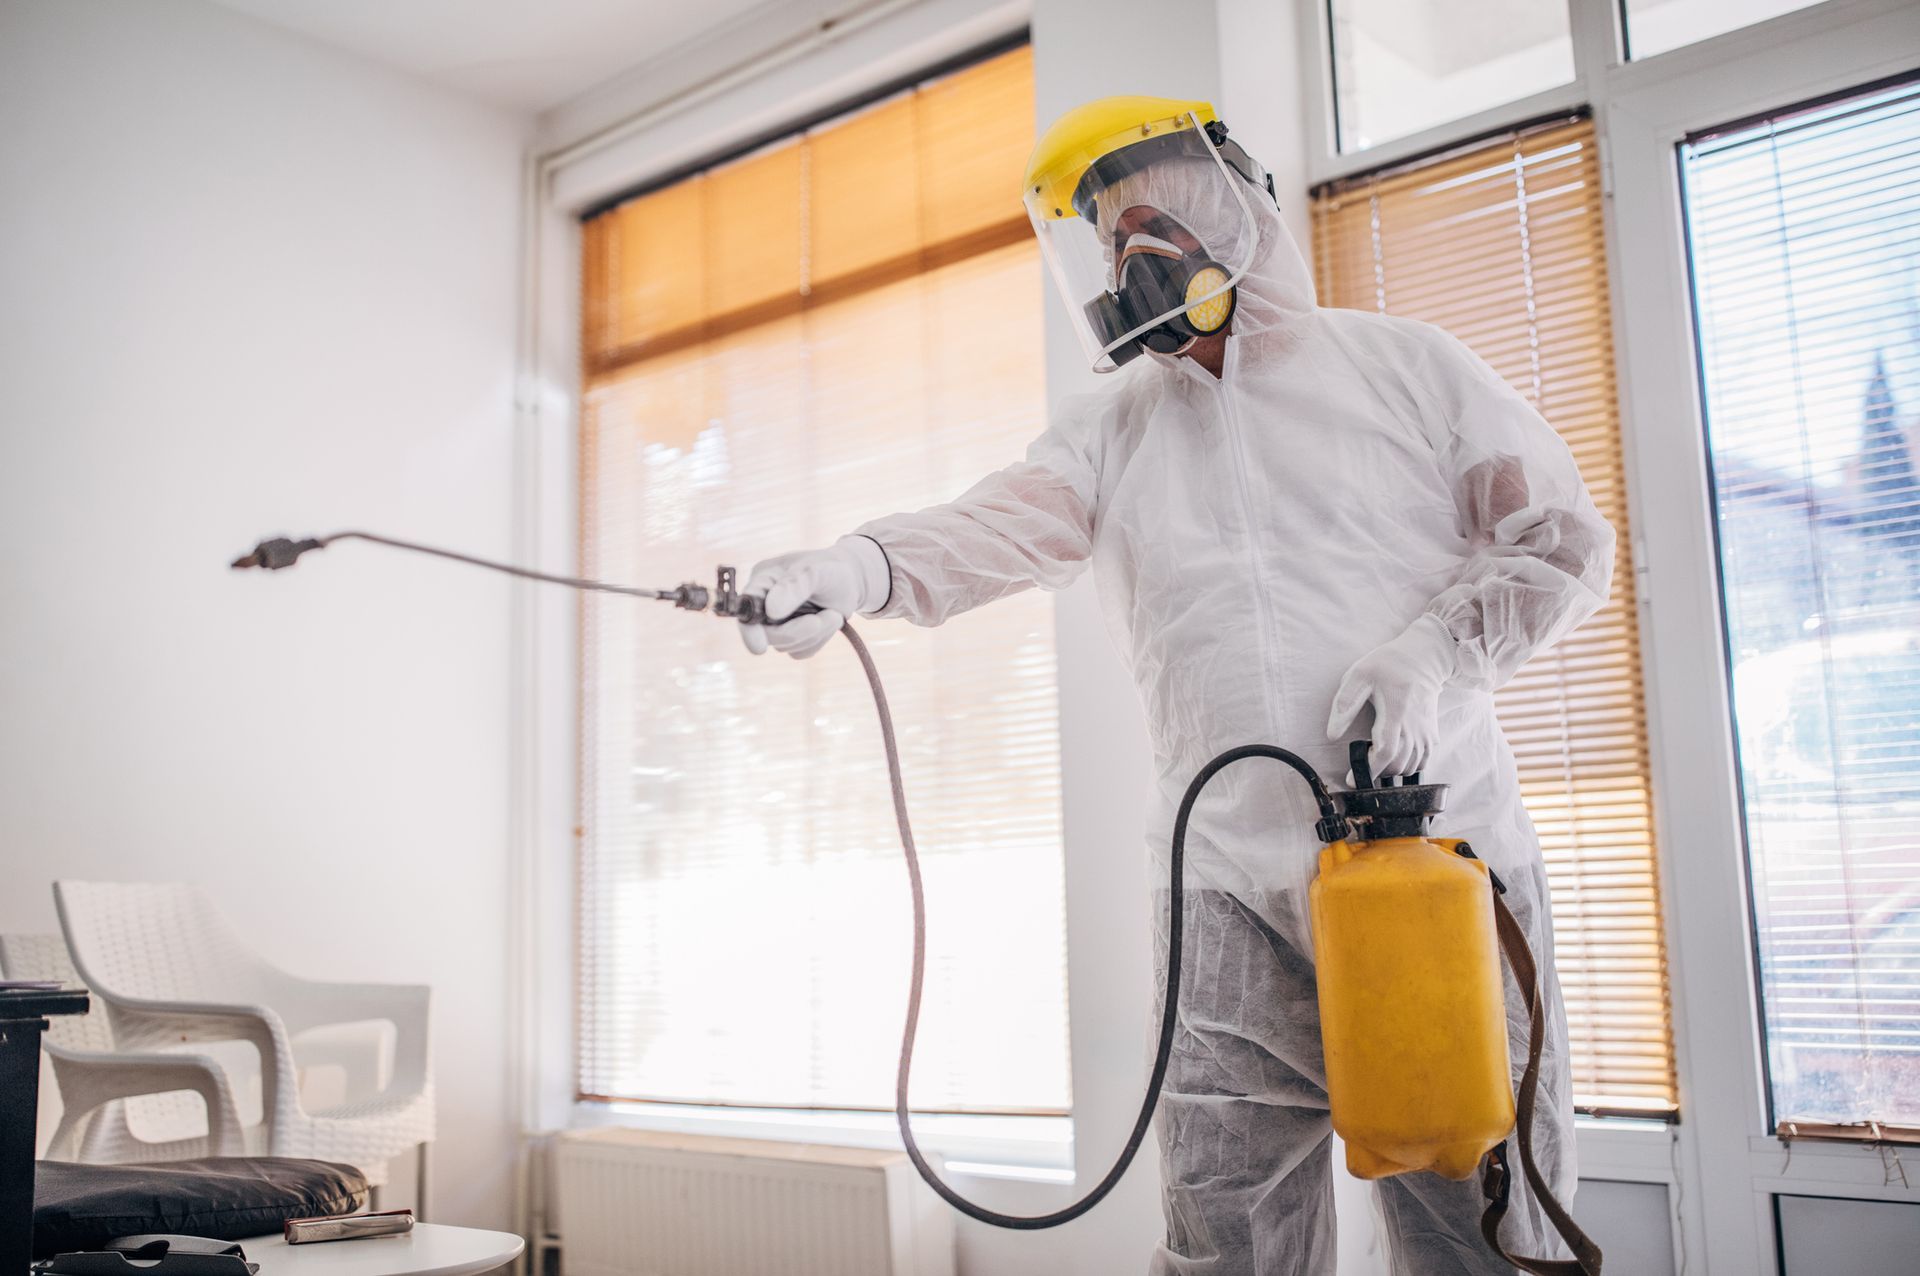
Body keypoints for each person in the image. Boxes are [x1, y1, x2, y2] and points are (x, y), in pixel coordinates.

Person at [739, 97, 1615, 1275]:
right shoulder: (1116, 431)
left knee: (1481, 1234)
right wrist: (860, 566)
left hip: (1433, 865)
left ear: (1238, 213)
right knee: (1224, 1243)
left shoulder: (1405, 369)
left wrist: (1435, 654)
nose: (1131, 262)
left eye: (1156, 226)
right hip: (1227, 896)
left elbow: (1556, 540)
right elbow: (1001, 524)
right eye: (1109, 244)